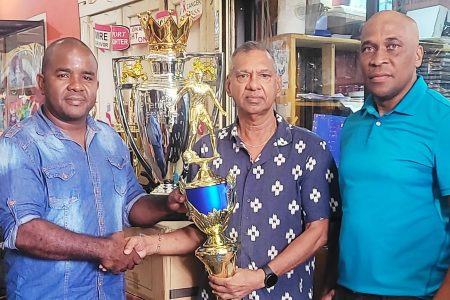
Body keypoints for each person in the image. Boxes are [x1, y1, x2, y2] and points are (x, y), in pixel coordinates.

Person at [124, 41, 341, 300]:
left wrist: (262, 276)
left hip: (284, 293)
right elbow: (201, 231)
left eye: (263, 75)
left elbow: (318, 231)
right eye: (242, 75)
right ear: (228, 86)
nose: (253, 84)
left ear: (277, 84)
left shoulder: (310, 149)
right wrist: (150, 243)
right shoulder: (206, 151)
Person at [0, 37, 186, 299]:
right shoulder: (19, 144)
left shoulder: (110, 140)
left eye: (86, 77)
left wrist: (167, 203)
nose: (76, 85)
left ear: (97, 85)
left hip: (107, 293)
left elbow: (131, 205)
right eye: (64, 74)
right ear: (42, 82)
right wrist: (102, 249)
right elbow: (24, 231)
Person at [331, 11, 450, 300]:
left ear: (418, 55)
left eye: (393, 46)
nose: (377, 58)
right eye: (368, 47)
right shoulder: (353, 125)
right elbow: (350, 213)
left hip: (416, 293)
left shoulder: (442, 120)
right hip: (350, 290)